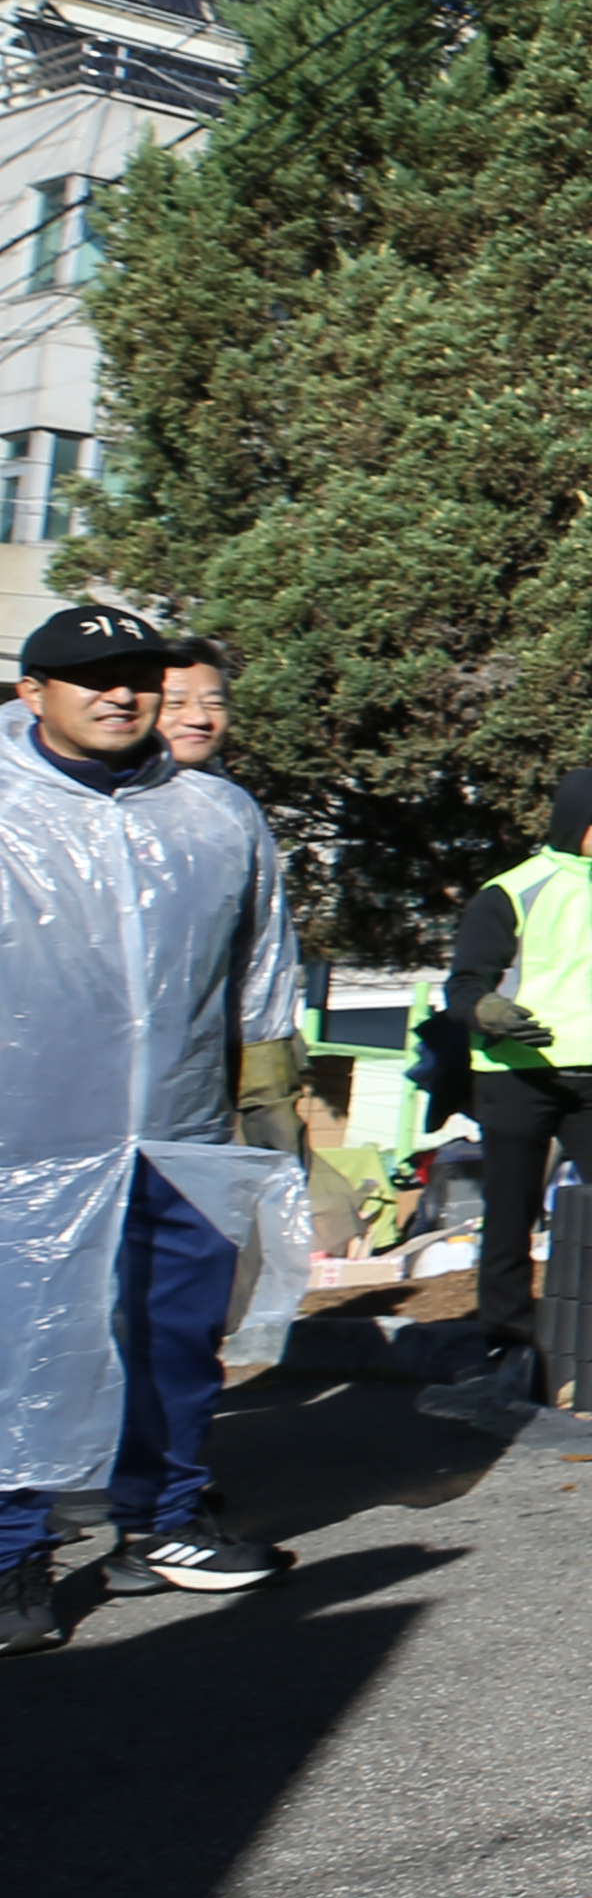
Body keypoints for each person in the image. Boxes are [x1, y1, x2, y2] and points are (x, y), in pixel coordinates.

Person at [2, 604, 309, 1657]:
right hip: (22, 1142)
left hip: (177, 1132)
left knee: (175, 1340)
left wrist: (269, 1104)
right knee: (22, 1343)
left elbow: (264, 962)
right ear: (31, 689)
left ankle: (163, 1521)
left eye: (136, 672)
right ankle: (11, 1550)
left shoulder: (215, 814)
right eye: (89, 674)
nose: (119, 692)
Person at [445, 770, 592, 1376]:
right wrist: (492, 1013)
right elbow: (464, 985)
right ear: (575, 821)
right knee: (510, 1212)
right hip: (518, 1072)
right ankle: (508, 1337)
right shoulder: (512, 891)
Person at [158, 634, 232, 772]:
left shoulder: (227, 792)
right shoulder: (109, 791)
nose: (200, 719)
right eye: (175, 703)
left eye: (214, 704)